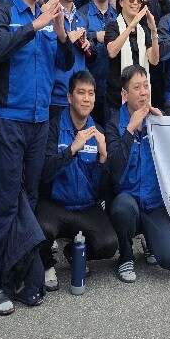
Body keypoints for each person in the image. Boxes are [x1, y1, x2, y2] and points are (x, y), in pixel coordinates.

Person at [0, 0, 73, 315]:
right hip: (10, 119)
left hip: (40, 120)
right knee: (4, 202)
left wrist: (60, 31)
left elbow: (64, 63)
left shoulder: (48, 13)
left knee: (30, 201)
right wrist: (34, 25)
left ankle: (20, 273)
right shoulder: (6, 11)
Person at [37, 71, 117, 292]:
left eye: (91, 93)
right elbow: (44, 173)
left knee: (109, 244)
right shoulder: (53, 127)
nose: (86, 99)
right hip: (55, 205)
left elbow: (102, 190)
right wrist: (72, 149)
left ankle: (73, 252)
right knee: (40, 229)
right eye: (81, 93)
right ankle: (47, 264)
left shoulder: (98, 132)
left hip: (85, 206)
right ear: (69, 97)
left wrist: (103, 159)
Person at [106, 65, 170, 282]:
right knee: (122, 207)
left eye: (146, 86)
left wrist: (165, 126)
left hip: (154, 203)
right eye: (137, 88)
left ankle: (150, 239)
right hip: (127, 201)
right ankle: (125, 255)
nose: (143, 93)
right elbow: (114, 172)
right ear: (124, 94)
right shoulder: (114, 124)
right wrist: (130, 130)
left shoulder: (157, 119)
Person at [104, 0, 160, 114]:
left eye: (139, 0)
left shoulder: (143, 30)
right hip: (116, 100)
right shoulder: (113, 26)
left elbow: (154, 60)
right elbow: (112, 51)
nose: (135, 3)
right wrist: (130, 26)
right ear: (121, 2)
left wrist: (153, 31)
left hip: (139, 99)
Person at [48, 0, 94, 121]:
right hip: (55, 97)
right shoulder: (46, 16)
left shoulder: (82, 18)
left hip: (79, 97)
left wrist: (88, 44)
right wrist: (65, 41)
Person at [84, 0, 117, 125]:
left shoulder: (118, 16)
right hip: (88, 91)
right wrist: (95, 36)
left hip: (113, 92)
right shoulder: (81, 15)